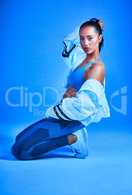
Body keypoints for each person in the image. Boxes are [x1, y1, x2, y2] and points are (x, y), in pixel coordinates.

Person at [11, 18, 110, 160]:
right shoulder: (80, 56)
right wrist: (93, 22)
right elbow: (70, 41)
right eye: (82, 39)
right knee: (18, 139)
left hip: (74, 117)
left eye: (90, 38)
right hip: (65, 111)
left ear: (99, 38)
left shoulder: (97, 68)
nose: (85, 43)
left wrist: (57, 108)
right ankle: (72, 134)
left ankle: (73, 138)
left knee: (19, 152)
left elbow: (85, 107)